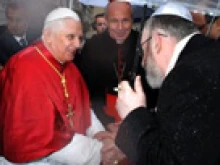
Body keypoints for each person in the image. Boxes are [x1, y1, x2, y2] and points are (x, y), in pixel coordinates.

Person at [0, 7, 124, 165]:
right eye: (70, 37)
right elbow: (45, 139)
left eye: (80, 38)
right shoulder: (25, 67)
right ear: (48, 36)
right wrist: (99, 151)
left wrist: (99, 133)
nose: (78, 44)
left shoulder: (69, 66)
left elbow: (83, 108)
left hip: (71, 153)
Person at [115, 2, 220, 165]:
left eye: (143, 51)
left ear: (157, 42)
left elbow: (169, 161)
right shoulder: (207, 54)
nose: (143, 62)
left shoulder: (186, 75)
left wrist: (133, 114)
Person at [76, 1, 157, 126]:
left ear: (132, 20)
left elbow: (153, 88)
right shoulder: (93, 45)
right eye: (114, 21)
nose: (120, 27)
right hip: (101, 116)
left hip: (138, 117)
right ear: (107, 21)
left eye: (125, 20)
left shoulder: (144, 43)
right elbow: (86, 87)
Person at [0, 2, 35, 66]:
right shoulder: (1, 45)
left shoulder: (37, 36)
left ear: (27, 20)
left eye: (19, 20)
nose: (14, 24)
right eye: (10, 19)